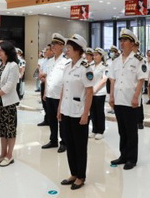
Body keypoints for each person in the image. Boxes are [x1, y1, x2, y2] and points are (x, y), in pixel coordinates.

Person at [58, 34, 94, 190]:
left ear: (78, 50)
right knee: (69, 144)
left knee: (80, 146)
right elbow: (64, 89)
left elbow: (90, 92)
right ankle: (73, 173)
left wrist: (86, 113)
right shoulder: (67, 66)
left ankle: (81, 176)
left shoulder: (85, 68)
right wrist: (59, 108)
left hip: (79, 112)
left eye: (70, 48)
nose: (67, 50)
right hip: (66, 110)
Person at [109, 29, 146, 170]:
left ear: (132, 43)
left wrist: (136, 97)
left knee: (131, 132)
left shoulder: (138, 60)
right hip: (118, 100)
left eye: (125, 40)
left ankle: (131, 158)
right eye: (121, 40)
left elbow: (141, 80)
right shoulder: (116, 60)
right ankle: (123, 155)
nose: (122, 43)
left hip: (131, 101)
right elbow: (112, 79)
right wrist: (111, 96)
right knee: (122, 131)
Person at [0, 40, 20, 167]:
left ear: (7, 52)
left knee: (9, 130)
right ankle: (2, 154)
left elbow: (10, 85)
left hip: (7, 103)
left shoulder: (13, 66)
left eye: (1, 50)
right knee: (1, 129)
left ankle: (9, 155)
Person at [41, 33, 70, 152]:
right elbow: (48, 78)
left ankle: (64, 142)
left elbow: (66, 81)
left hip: (60, 96)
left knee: (61, 120)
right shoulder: (50, 61)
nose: (53, 46)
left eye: (56, 44)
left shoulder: (66, 61)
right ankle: (53, 140)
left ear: (62, 46)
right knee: (52, 119)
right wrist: (45, 92)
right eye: (52, 44)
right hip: (50, 94)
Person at [89, 47, 108, 140]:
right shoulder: (91, 66)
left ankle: (100, 130)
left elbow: (104, 79)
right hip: (91, 92)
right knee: (92, 112)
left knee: (99, 112)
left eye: (96, 55)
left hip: (100, 92)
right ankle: (94, 129)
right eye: (94, 55)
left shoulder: (104, 66)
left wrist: (95, 89)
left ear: (101, 56)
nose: (94, 56)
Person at [37, 44, 53, 126]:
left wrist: (44, 77)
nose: (45, 51)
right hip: (43, 83)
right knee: (44, 103)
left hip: (49, 84)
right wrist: (41, 76)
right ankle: (47, 119)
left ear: (52, 51)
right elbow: (41, 71)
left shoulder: (53, 61)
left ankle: (50, 120)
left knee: (49, 104)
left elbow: (50, 74)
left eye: (47, 50)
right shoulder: (44, 60)